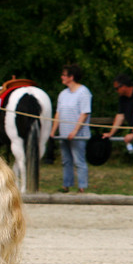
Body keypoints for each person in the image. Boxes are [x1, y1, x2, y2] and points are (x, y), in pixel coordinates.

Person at [49, 64, 91, 193]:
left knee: (79, 161)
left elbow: (84, 113)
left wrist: (75, 131)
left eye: (64, 75)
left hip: (78, 135)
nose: (62, 77)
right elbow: (58, 113)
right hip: (64, 134)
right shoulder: (63, 94)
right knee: (66, 160)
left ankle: (82, 187)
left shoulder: (84, 92)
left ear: (71, 77)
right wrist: (53, 131)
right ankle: (66, 185)